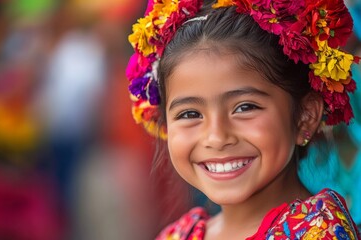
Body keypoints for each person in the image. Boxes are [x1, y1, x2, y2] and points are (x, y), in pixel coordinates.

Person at [126, 0, 361, 239]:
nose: (216, 137)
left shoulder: (321, 232)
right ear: (165, 123)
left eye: (244, 107)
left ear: (305, 116)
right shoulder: (177, 235)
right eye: (190, 114)